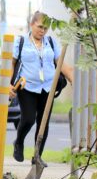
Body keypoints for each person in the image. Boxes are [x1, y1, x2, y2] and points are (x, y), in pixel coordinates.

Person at [11, 11, 74, 162]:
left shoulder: (50, 42)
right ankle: (19, 142)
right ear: (31, 24)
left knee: (43, 123)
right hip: (27, 87)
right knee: (28, 119)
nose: (42, 31)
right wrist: (8, 85)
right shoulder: (20, 42)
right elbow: (11, 64)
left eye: (45, 28)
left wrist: (73, 79)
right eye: (40, 27)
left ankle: (37, 156)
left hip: (47, 88)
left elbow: (61, 64)